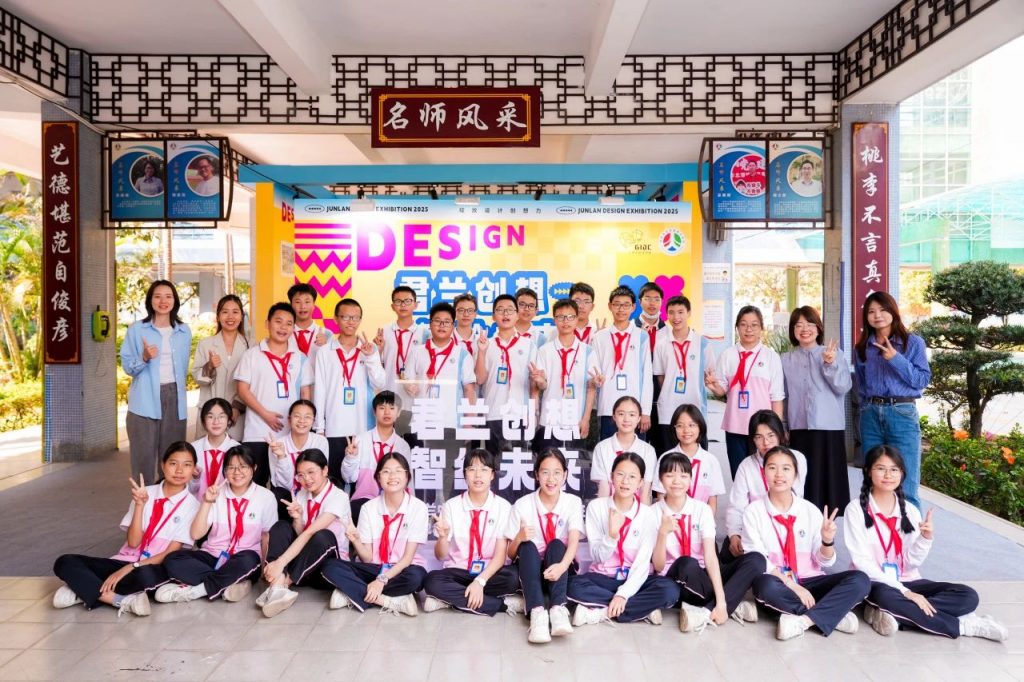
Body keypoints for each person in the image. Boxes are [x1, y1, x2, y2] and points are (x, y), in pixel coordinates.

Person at [844, 445, 1008, 641]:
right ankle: (964, 626)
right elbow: (862, 562)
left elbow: (911, 563)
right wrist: (906, 593)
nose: (888, 475)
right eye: (881, 468)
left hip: (909, 579)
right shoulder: (856, 509)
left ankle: (896, 614)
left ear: (902, 474)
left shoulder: (910, 511)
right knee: (888, 598)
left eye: (894, 469)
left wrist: (925, 538)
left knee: (968, 595)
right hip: (876, 583)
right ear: (868, 471)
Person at [52, 442, 201, 617]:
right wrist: (139, 505)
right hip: (123, 561)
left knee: (147, 578)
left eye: (187, 465)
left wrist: (132, 566)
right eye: (173, 463)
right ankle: (118, 599)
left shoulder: (193, 506)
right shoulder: (144, 493)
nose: (179, 470)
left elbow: (170, 553)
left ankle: (82, 588)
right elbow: (133, 542)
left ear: (194, 469)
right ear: (163, 465)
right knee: (65, 561)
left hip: (151, 566)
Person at [743, 446, 869, 640]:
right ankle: (832, 614)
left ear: (795, 474)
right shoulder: (754, 512)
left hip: (812, 580)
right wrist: (793, 586)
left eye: (786, 468)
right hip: (779, 581)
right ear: (764, 472)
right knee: (763, 586)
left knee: (860, 580)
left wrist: (827, 541)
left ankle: (804, 620)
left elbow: (825, 562)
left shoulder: (810, 510)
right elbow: (759, 561)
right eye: (772, 467)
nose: (779, 474)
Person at [652, 452, 763, 632]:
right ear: (660, 480)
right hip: (676, 578)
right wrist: (663, 533)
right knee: (686, 563)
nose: (677, 481)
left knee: (756, 559)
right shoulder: (652, 513)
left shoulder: (702, 510)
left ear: (690, 479)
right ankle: (733, 604)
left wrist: (721, 601)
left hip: (704, 575)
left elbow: (711, 557)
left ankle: (712, 609)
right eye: (670, 475)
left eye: (683, 476)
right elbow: (658, 566)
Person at [568, 452, 679, 625]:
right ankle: (641, 610)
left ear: (640, 483)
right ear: (612, 477)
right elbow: (598, 557)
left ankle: (602, 612)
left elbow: (642, 564)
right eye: (620, 474)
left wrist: (623, 594)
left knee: (670, 590)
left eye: (632, 477)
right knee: (572, 585)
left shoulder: (647, 514)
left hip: (636, 578)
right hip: (603, 578)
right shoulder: (596, 507)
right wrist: (611, 536)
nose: (625, 481)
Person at [158, 445, 277, 603]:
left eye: (243, 467)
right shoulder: (215, 494)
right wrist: (207, 502)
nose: (237, 472)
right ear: (225, 471)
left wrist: (262, 572)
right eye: (231, 468)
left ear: (254, 469)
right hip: (213, 555)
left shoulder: (266, 497)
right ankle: (230, 582)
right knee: (172, 559)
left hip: (244, 558)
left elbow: (266, 536)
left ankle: (196, 591)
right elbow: (196, 534)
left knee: (248, 560)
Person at [322, 452, 427, 617]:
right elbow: (367, 558)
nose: (392, 476)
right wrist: (356, 541)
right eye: (386, 471)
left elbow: (407, 558)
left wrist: (381, 580)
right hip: (374, 568)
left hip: (402, 569)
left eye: (398, 471)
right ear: (378, 477)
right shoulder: (368, 508)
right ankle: (387, 600)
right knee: (330, 566)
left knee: (417, 577)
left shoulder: (418, 508)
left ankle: (351, 592)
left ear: (407, 476)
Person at [422, 449, 524, 616]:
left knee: (514, 578)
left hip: (490, 573)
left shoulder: (503, 507)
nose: (478, 475)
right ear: (464, 474)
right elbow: (441, 556)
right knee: (432, 581)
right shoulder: (451, 506)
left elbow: (500, 557)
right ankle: (502, 605)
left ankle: (450, 600)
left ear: (492, 475)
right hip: (459, 571)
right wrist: (442, 538)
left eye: (484, 469)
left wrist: (480, 581)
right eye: (472, 469)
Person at [855, 291, 931, 509]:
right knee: (874, 479)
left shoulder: (912, 343)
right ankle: (875, 527)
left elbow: (922, 380)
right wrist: (865, 408)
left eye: (882, 310)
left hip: (901, 412)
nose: (877, 315)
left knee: (906, 481)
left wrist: (896, 359)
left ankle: (910, 530)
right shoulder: (863, 347)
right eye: (871, 311)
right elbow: (861, 383)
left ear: (893, 311)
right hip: (870, 414)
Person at [259, 449, 351, 618]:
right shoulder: (302, 494)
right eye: (300, 475)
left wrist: (281, 562)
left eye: (311, 472)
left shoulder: (339, 497)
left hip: (326, 568)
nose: (306, 479)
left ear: (325, 470)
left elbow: (310, 533)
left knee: (323, 536)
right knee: (281, 526)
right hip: (304, 567)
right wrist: (297, 519)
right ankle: (277, 585)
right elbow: (301, 533)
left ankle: (282, 584)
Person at [506, 448, 584, 643]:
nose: (551, 479)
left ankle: (557, 610)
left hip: (560, 569)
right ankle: (537, 614)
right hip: (530, 571)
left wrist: (562, 567)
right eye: (545, 472)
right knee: (527, 547)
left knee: (557, 544)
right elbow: (510, 554)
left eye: (557, 472)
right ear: (536, 475)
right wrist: (519, 538)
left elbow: (573, 542)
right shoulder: (522, 505)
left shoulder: (573, 502)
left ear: (565, 475)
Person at [234, 302, 314, 487]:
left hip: (290, 436)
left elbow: (305, 393)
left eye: (289, 323)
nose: (283, 327)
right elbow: (242, 390)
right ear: (267, 323)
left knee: (287, 486)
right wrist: (265, 414)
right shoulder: (252, 355)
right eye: (278, 321)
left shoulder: (300, 357)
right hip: (257, 433)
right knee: (255, 484)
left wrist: (303, 426)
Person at [781, 306, 852, 512]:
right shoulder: (785, 359)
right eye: (798, 325)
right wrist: (783, 425)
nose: (805, 329)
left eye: (810, 324)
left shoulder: (834, 353)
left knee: (830, 486)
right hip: (799, 427)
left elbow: (843, 387)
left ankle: (828, 527)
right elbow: (783, 395)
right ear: (792, 330)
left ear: (818, 328)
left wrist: (830, 364)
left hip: (829, 428)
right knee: (804, 482)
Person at [122, 280, 192, 482]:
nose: (163, 301)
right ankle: (142, 501)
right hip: (143, 401)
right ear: (150, 300)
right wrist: (144, 357)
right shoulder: (137, 330)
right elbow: (128, 367)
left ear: (175, 301)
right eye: (158, 296)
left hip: (175, 399)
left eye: (168, 296)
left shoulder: (184, 331)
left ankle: (168, 501)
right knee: (142, 461)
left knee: (173, 460)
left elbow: (183, 368)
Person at [406, 301, 475, 499]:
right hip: (422, 422)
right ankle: (425, 511)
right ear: (430, 324)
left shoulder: (462, 354)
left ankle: (446, 513)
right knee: (423, 472)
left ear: (453, 325)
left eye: (447, 322)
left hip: (450, 424)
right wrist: (410, 386)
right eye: (437, 321)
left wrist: (469, 423)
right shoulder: (417, 352)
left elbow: (469, 389)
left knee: (448, 473)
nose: (442, 325)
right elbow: (408, 380)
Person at [706, 305, 785, 478]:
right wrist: (714, 386)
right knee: (739, 474)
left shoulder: (771, 357)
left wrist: (777, 430)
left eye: (754, 325)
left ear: (761, 328)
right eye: (743, 324)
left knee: (764, 475)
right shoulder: (728, 355)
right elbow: (722, 390)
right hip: (735, 425)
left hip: (763, 429)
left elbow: (777, 396)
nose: (749, 329)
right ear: (737, 327)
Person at [313, 297, 386, 482]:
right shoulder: (324, 351)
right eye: (345, 317)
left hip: (362, 426)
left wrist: (371, 357)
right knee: (334, 479)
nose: (351, 322)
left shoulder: (368, 349)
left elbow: (380, 383)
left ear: (360, 320)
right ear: (336, 319)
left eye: (355, 317)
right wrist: (319, 428)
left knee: (361, 480)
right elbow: (320, 390)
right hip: (333, 427)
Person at [723, 410, 807, 563]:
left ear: (780, 435)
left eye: (770, 435)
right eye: (759, 437)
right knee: (727, 553)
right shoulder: (746, 466)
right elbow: (736, 506)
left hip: (785, 528)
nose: (766, 443)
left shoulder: (797, 459)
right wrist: (734, 534)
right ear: (753, 439)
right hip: (754, 528)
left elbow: (796, 499)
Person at [474, 294, 538, 455]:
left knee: (519, 464)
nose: (505, 314)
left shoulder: (529, 345)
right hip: (493, 413)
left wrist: (533, 413)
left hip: (520, 414)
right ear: (493, 316)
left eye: (510, 310)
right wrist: (481, 352)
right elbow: (480, 379)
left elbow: (535, 385)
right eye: (500, 310)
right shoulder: (485, 344)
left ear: (517, 315)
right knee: (494, 464)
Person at [532, 299, 598, 451]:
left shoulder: (588, 351)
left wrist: (586, 419)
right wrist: (539, 381)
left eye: (570, 317)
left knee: (573, 462)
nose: (565, 321)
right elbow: (542, 385)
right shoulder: (545, 350)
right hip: (550, 418)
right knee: (548, 460)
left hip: (576, 419)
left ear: (577, 318)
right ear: (554, 319)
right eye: (561, 317)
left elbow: (591, 388)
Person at [653, 295, 714, 451]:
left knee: (696, 457)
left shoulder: (703, 344)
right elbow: (660, 377)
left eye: (681, 312)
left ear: (689, 313)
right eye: (671, 312)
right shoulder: (661, 345)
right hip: (668, 411)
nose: (676, 317)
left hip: (695, 410)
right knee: (668, 457)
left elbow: (710, 375)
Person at [592, 286, 653, 440]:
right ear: (610, 306)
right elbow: (594, 371)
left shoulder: (642, 336)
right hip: (608, 406)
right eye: (617, 304)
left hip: (634, 408)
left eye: (626, 305)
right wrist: (596, 380)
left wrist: (645, 411)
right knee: (609, 449)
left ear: (633, 307)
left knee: (634, 451)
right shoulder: (600, 337)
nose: (621, 309)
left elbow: (647, 375)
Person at [341, 390, 412, 525]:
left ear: (398, 413)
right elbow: (349, 478)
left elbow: (408, 481)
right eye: (382, 408)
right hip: (364, 500)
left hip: (393, 501)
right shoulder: (360, 440)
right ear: (374, 412)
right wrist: (351, 458)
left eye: (392, 408)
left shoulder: (402, 446)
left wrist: (410, 505)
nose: (387, 412)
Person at [373, 285, 429, 437]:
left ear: (416, 304)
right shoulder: (384, 332)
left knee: (415, 442)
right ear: (392, 306)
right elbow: (378, 367)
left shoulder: (425, 333)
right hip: (391, 395)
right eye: (398, 301)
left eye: (407, 301)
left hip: (415, 396)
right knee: (391, 440)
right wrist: (378, 350)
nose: (403, 305)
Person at [191, 294, 249, 440]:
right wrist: (209, 366)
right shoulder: (205, 344)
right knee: (208, 452)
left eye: (235, 312)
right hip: (210, 412)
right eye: (225, 312)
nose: (230, 317)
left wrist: (237, 408)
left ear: (241, 316)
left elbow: (253, 382)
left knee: (234, 452)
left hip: (237, 414)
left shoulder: (250, 345)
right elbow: (197, 378)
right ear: (218, 317)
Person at [652, 405, 725, 513]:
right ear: (674, 428)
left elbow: (712, 501)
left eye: (692, 425)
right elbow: (661, 495)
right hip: (671, 519)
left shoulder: (711, 461)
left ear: (700, 427)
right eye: (680, 426)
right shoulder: (666, 458)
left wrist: (707, 521)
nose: (686, 430)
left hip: (700, 519)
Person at [267, 400, 330, 515]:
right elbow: (281, 485)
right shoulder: (277, 444)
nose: (302, 421)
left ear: (313, 421)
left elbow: (321, 477)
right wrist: (282, 457)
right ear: (289, 419)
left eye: (307, 417)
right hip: (287, 497)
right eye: (297, 416)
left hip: (312, 493)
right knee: (277, 494)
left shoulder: (320, 441)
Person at [591, 396, 657, 503]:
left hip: (638, 508)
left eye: (632, 415)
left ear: (639, 418)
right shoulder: (602, 448)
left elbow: (645, 490)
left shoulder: (648, 451)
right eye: (621, 414)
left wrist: (643, 513)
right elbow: (603, 487)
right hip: (609, 505)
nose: (626, 419)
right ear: (614, 416)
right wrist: (604, 511)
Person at [188, 398, 241, 500]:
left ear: (229, 420)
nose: (216, 421)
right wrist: (195, 479)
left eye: (221, 416)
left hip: (227, 506)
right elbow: (188, 490)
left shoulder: (238, 450)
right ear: (203, 421)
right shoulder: (193, 449)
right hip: (198, 506)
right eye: (210, 417)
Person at [289, 283, 328, 364]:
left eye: (307, 302)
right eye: (297, 302)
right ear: (291, 305)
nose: (303, 306)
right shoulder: (284, 334)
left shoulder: (327, 334)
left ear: (314, 305)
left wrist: (326, 347)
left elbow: (334, 365)